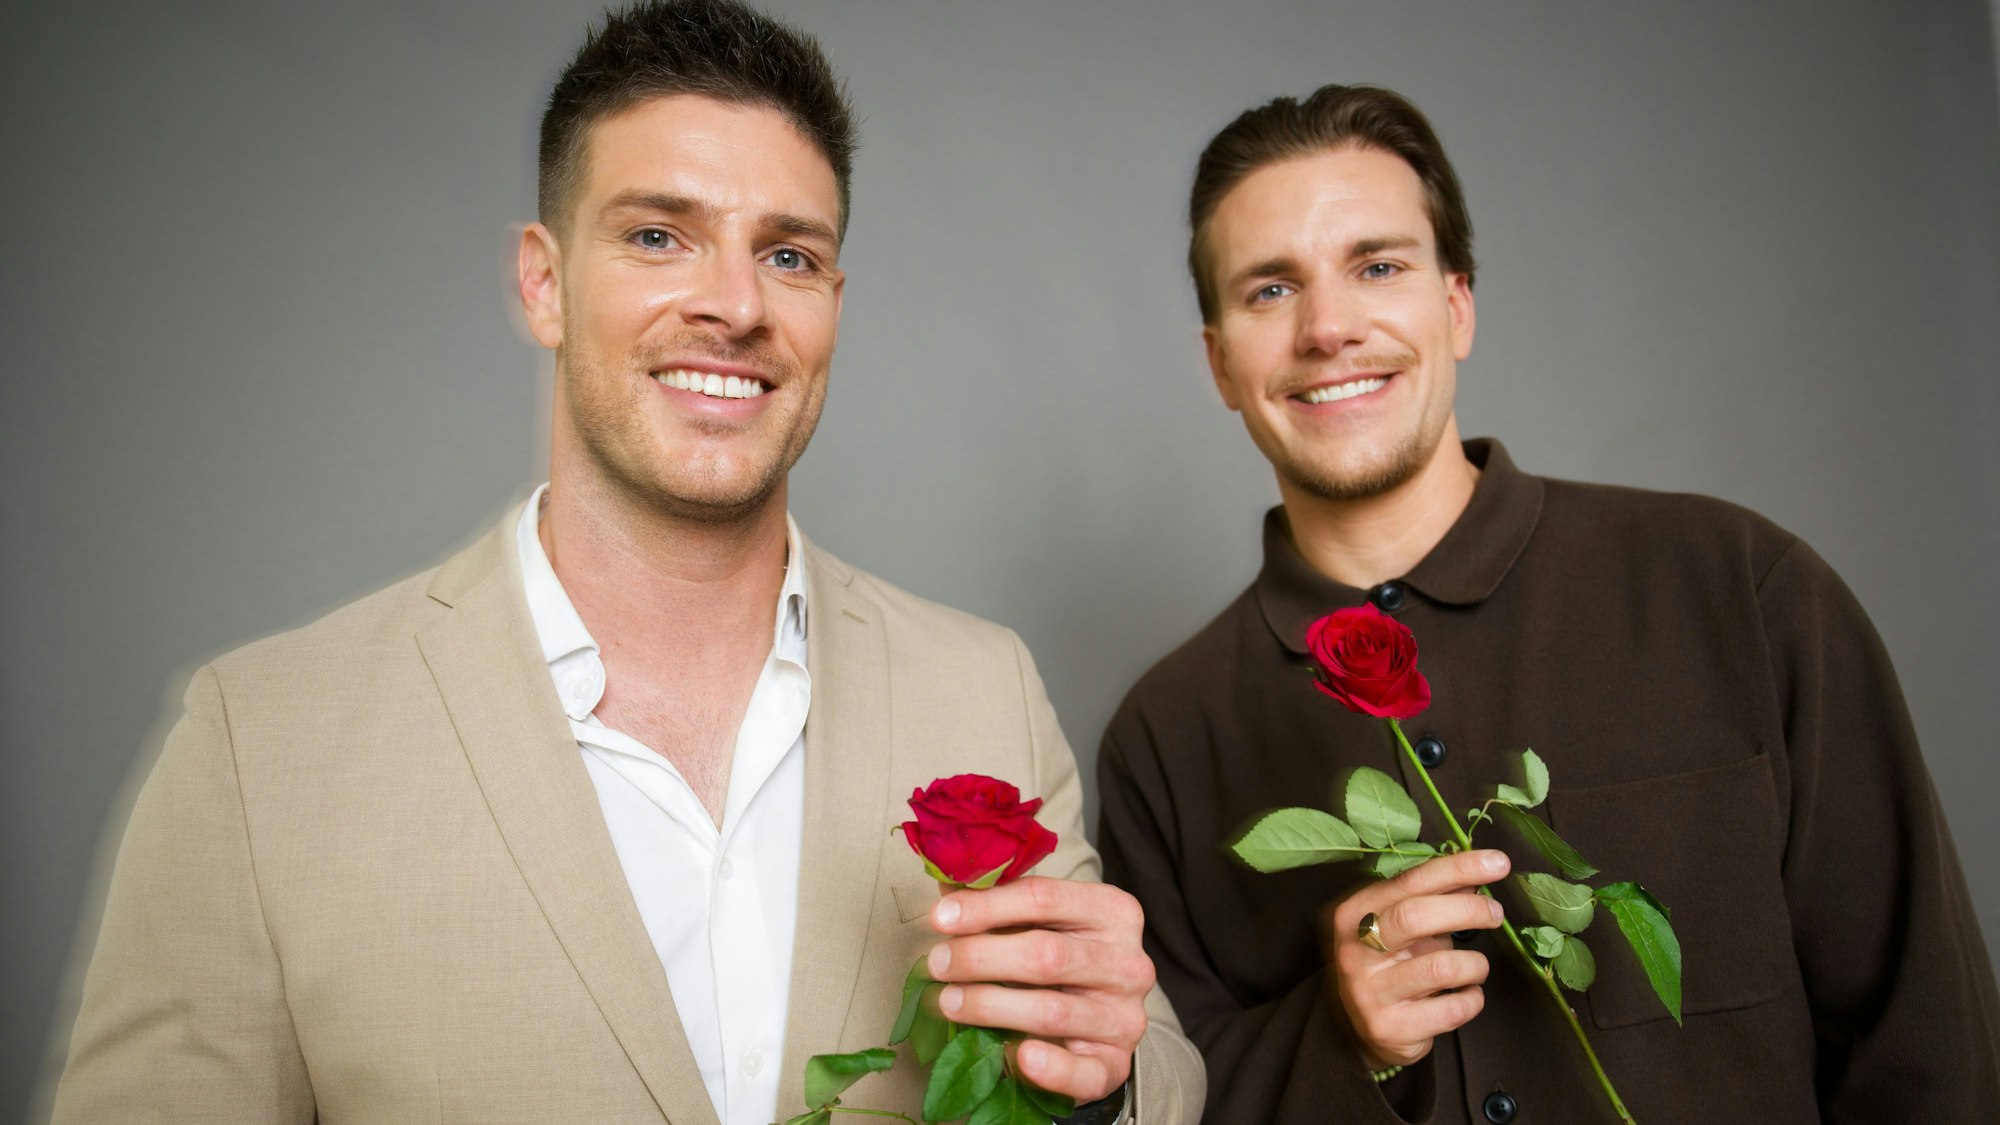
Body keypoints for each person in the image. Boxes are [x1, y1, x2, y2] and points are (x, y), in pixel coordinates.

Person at [49, 3, 1203, 1123]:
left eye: (789, 255)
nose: (735, 304)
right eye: (658, 236)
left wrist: (1094, 1090)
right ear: (542, 281)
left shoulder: (981, 685)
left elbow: (1137, 1063)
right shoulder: (261, 745)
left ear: (832, 306)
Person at [1095, 82, 1999, 1123]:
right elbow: (1170, 1099)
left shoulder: (1740, 590)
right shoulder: (1161, 739)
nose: (1327, 328)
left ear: (1456, 305)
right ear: (1217, 364)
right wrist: (1342, 1037)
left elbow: (1926, 1046)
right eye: (1267, 292)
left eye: (1377, 267)